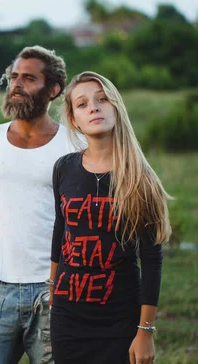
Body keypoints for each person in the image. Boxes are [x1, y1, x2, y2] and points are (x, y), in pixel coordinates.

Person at [0, 46, 76, 363]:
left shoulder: (75, 144)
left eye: (29, 78)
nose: (17, 84)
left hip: (57, 290)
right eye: (14, 77)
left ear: (53, 90)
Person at [48, 71, 172, 364]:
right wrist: (53, 290)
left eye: (102, 99)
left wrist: (145, 331)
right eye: (82, 103)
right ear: (74, 119)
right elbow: (60, 230)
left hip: (120, 319)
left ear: (116, 107)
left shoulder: (140, 178)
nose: (93, 107)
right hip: (67, 317)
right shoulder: (64, 168)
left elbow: (151, 259)